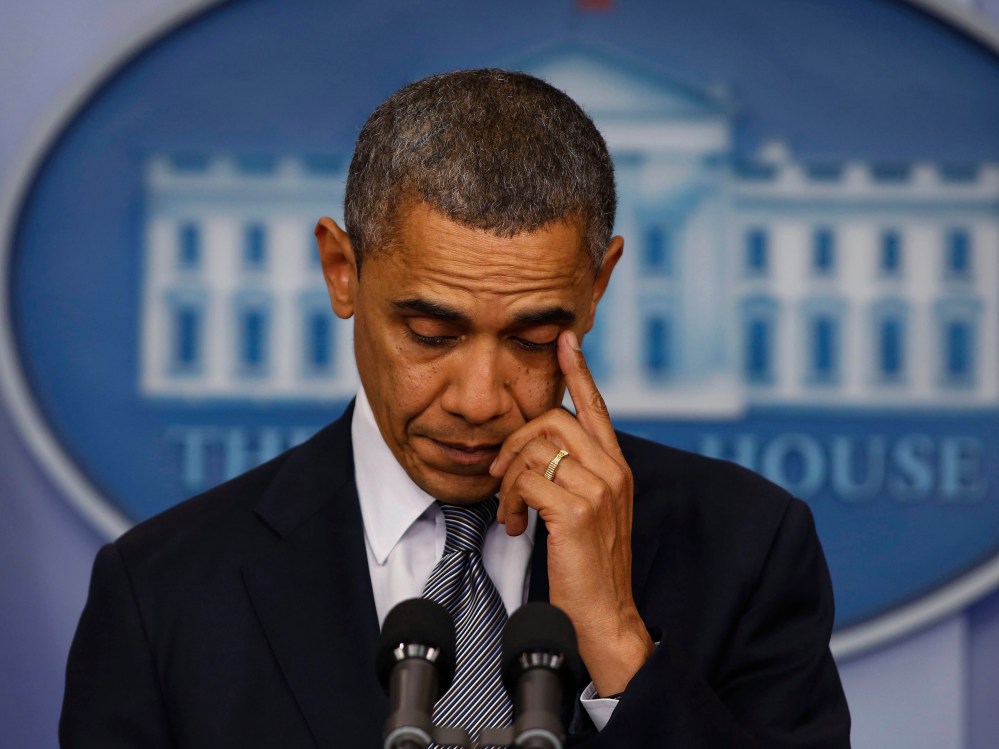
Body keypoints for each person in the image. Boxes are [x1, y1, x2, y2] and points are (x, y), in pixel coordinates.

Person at [60, 69, 850, 747]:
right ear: (341, 270)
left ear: (598, 285)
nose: (479, 401)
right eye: (431, 333)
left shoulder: (748, 547)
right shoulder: (163, 591)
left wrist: (616, 643)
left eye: (537, 337)